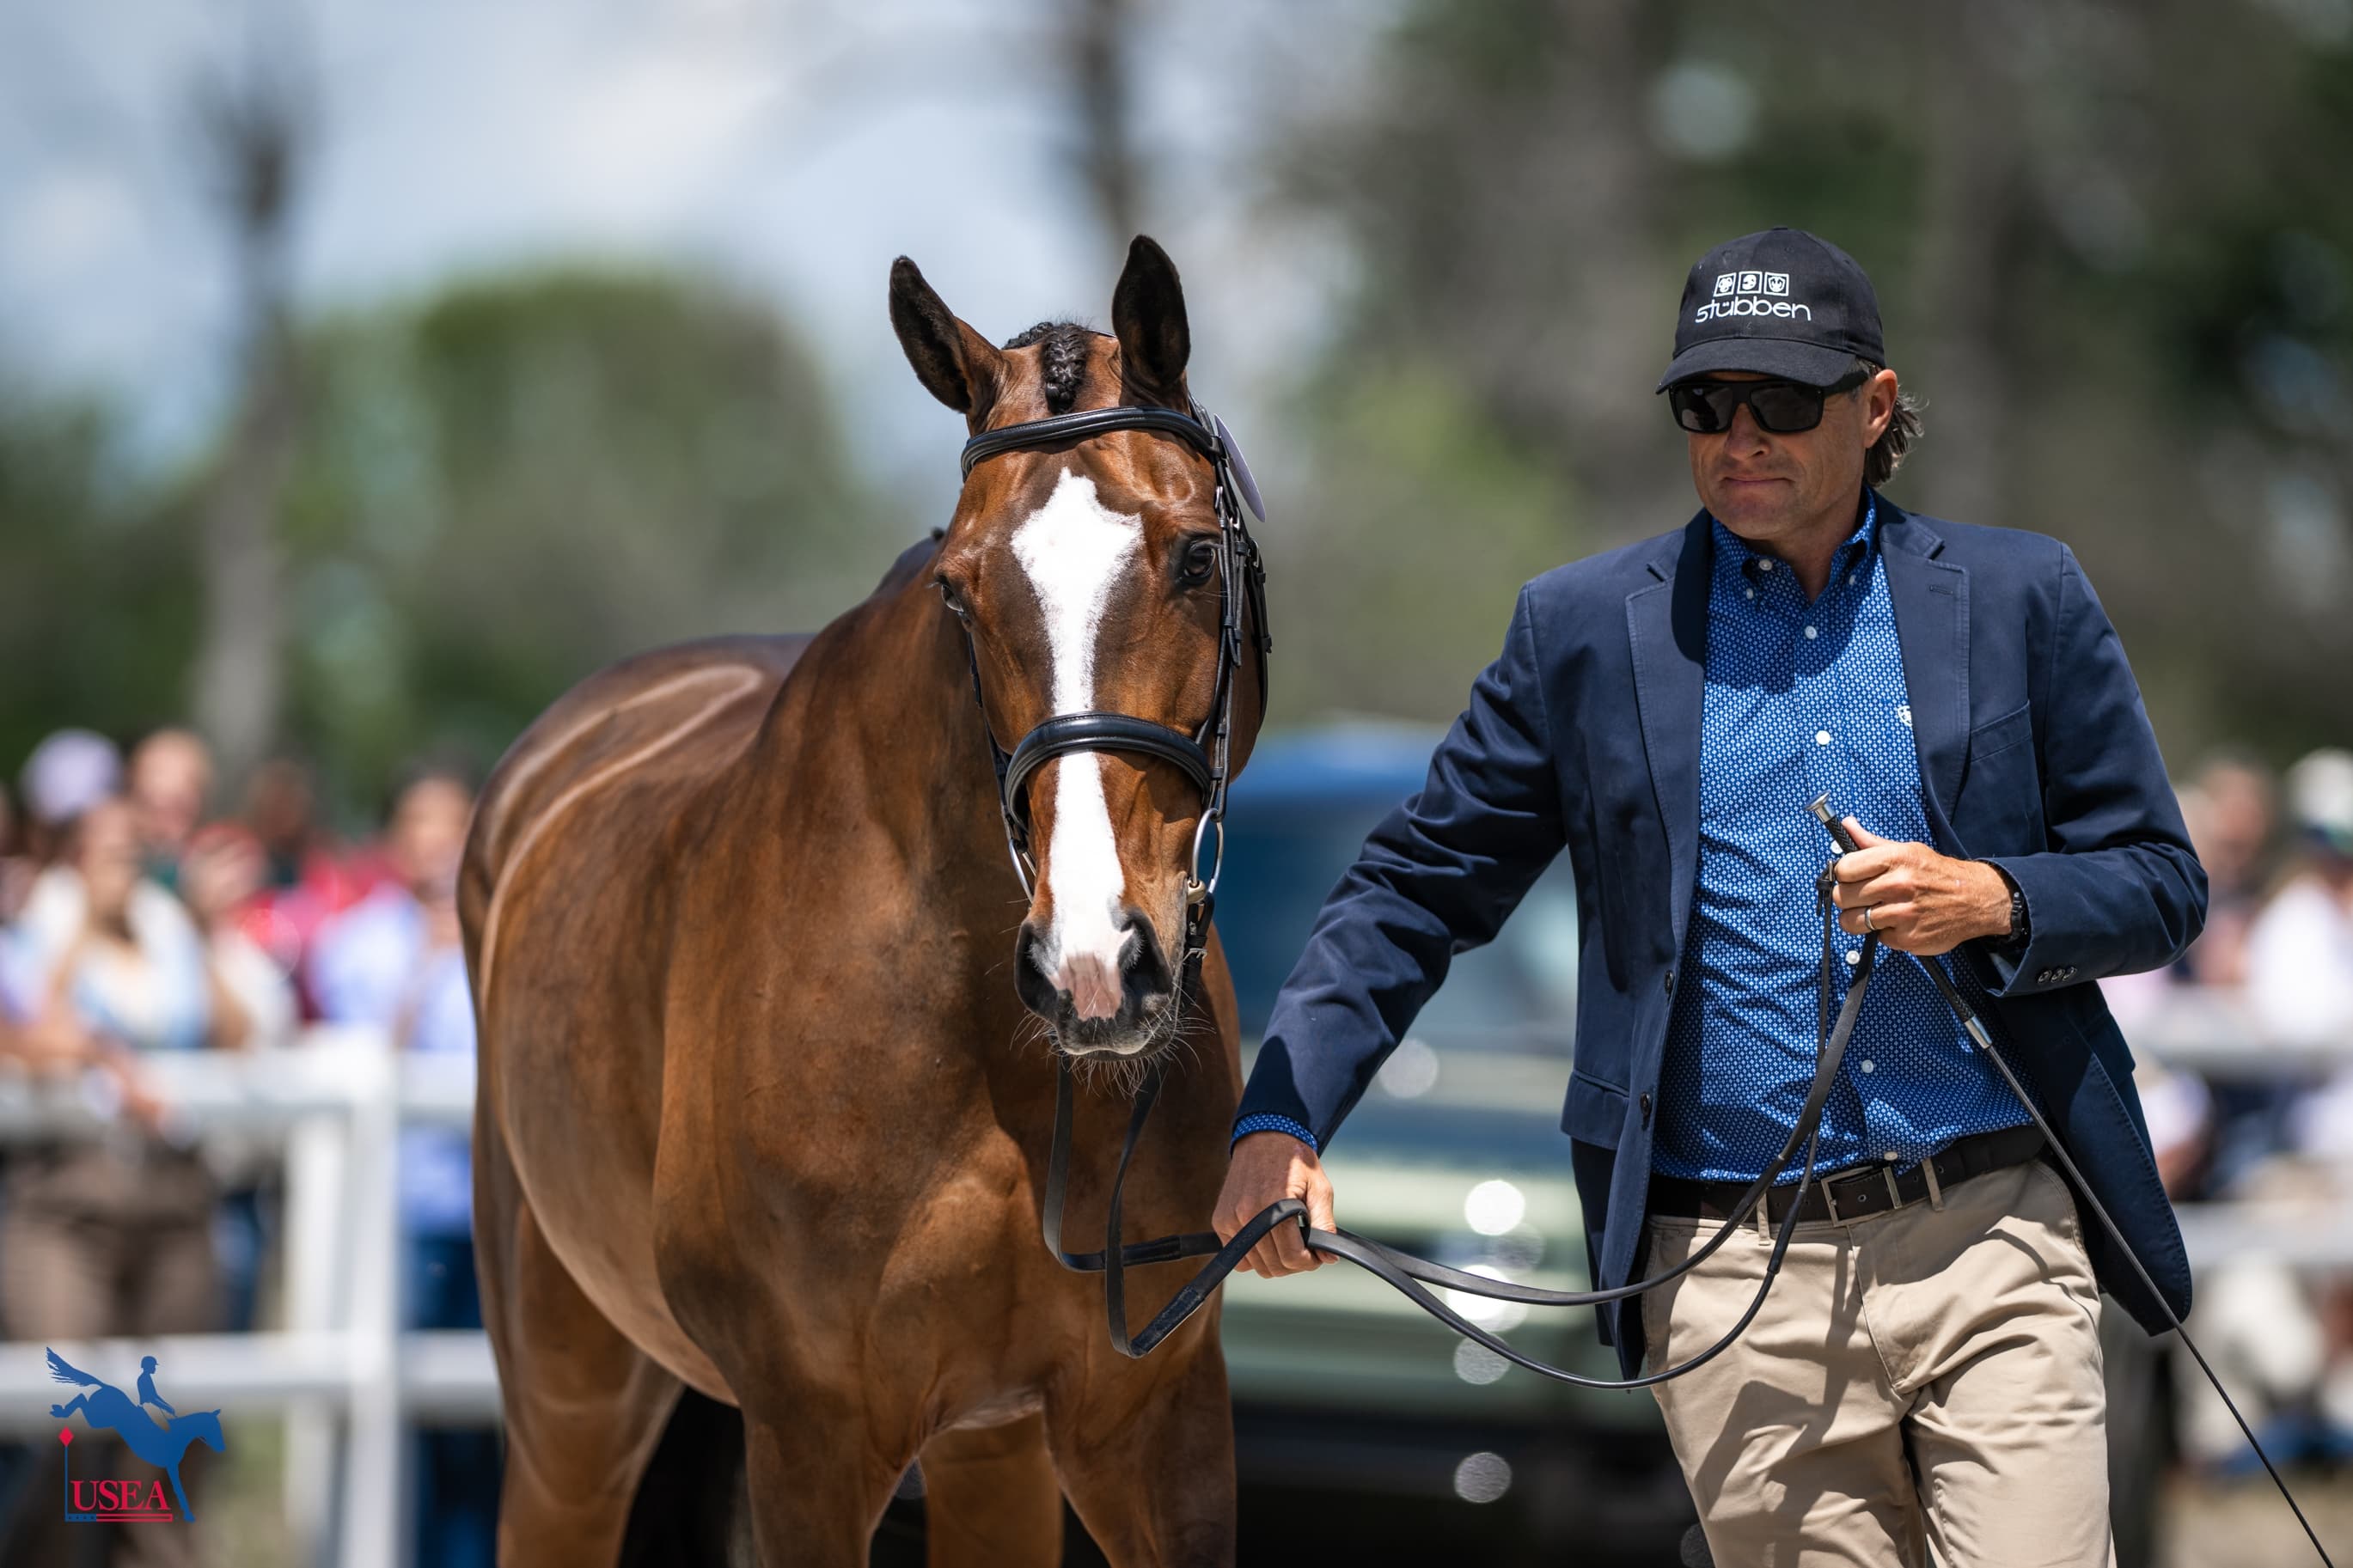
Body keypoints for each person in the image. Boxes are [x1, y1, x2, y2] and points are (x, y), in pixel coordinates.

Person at [1216, 228, 2205, 1565]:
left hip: (1991, 1235)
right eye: (1705, 404)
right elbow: (1413, 885)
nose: (1738, 436)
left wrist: (1991, 898)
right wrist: (1280, 1113)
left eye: (1780, 403)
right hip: (1727, 1266)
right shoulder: (1578, 631)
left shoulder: (2021, 594)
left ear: (1873, 406)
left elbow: (2159, 883)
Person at [307, 761, 495, 1568]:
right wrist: (427, 961)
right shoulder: (358, 943)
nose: (437, 843)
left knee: (484, 1421)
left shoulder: (505, 932)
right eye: (421, 824)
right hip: (400, 1216)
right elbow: (364, 1062)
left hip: (488, 1215)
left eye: (452, 824)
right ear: (393, 838)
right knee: (398, 1419)